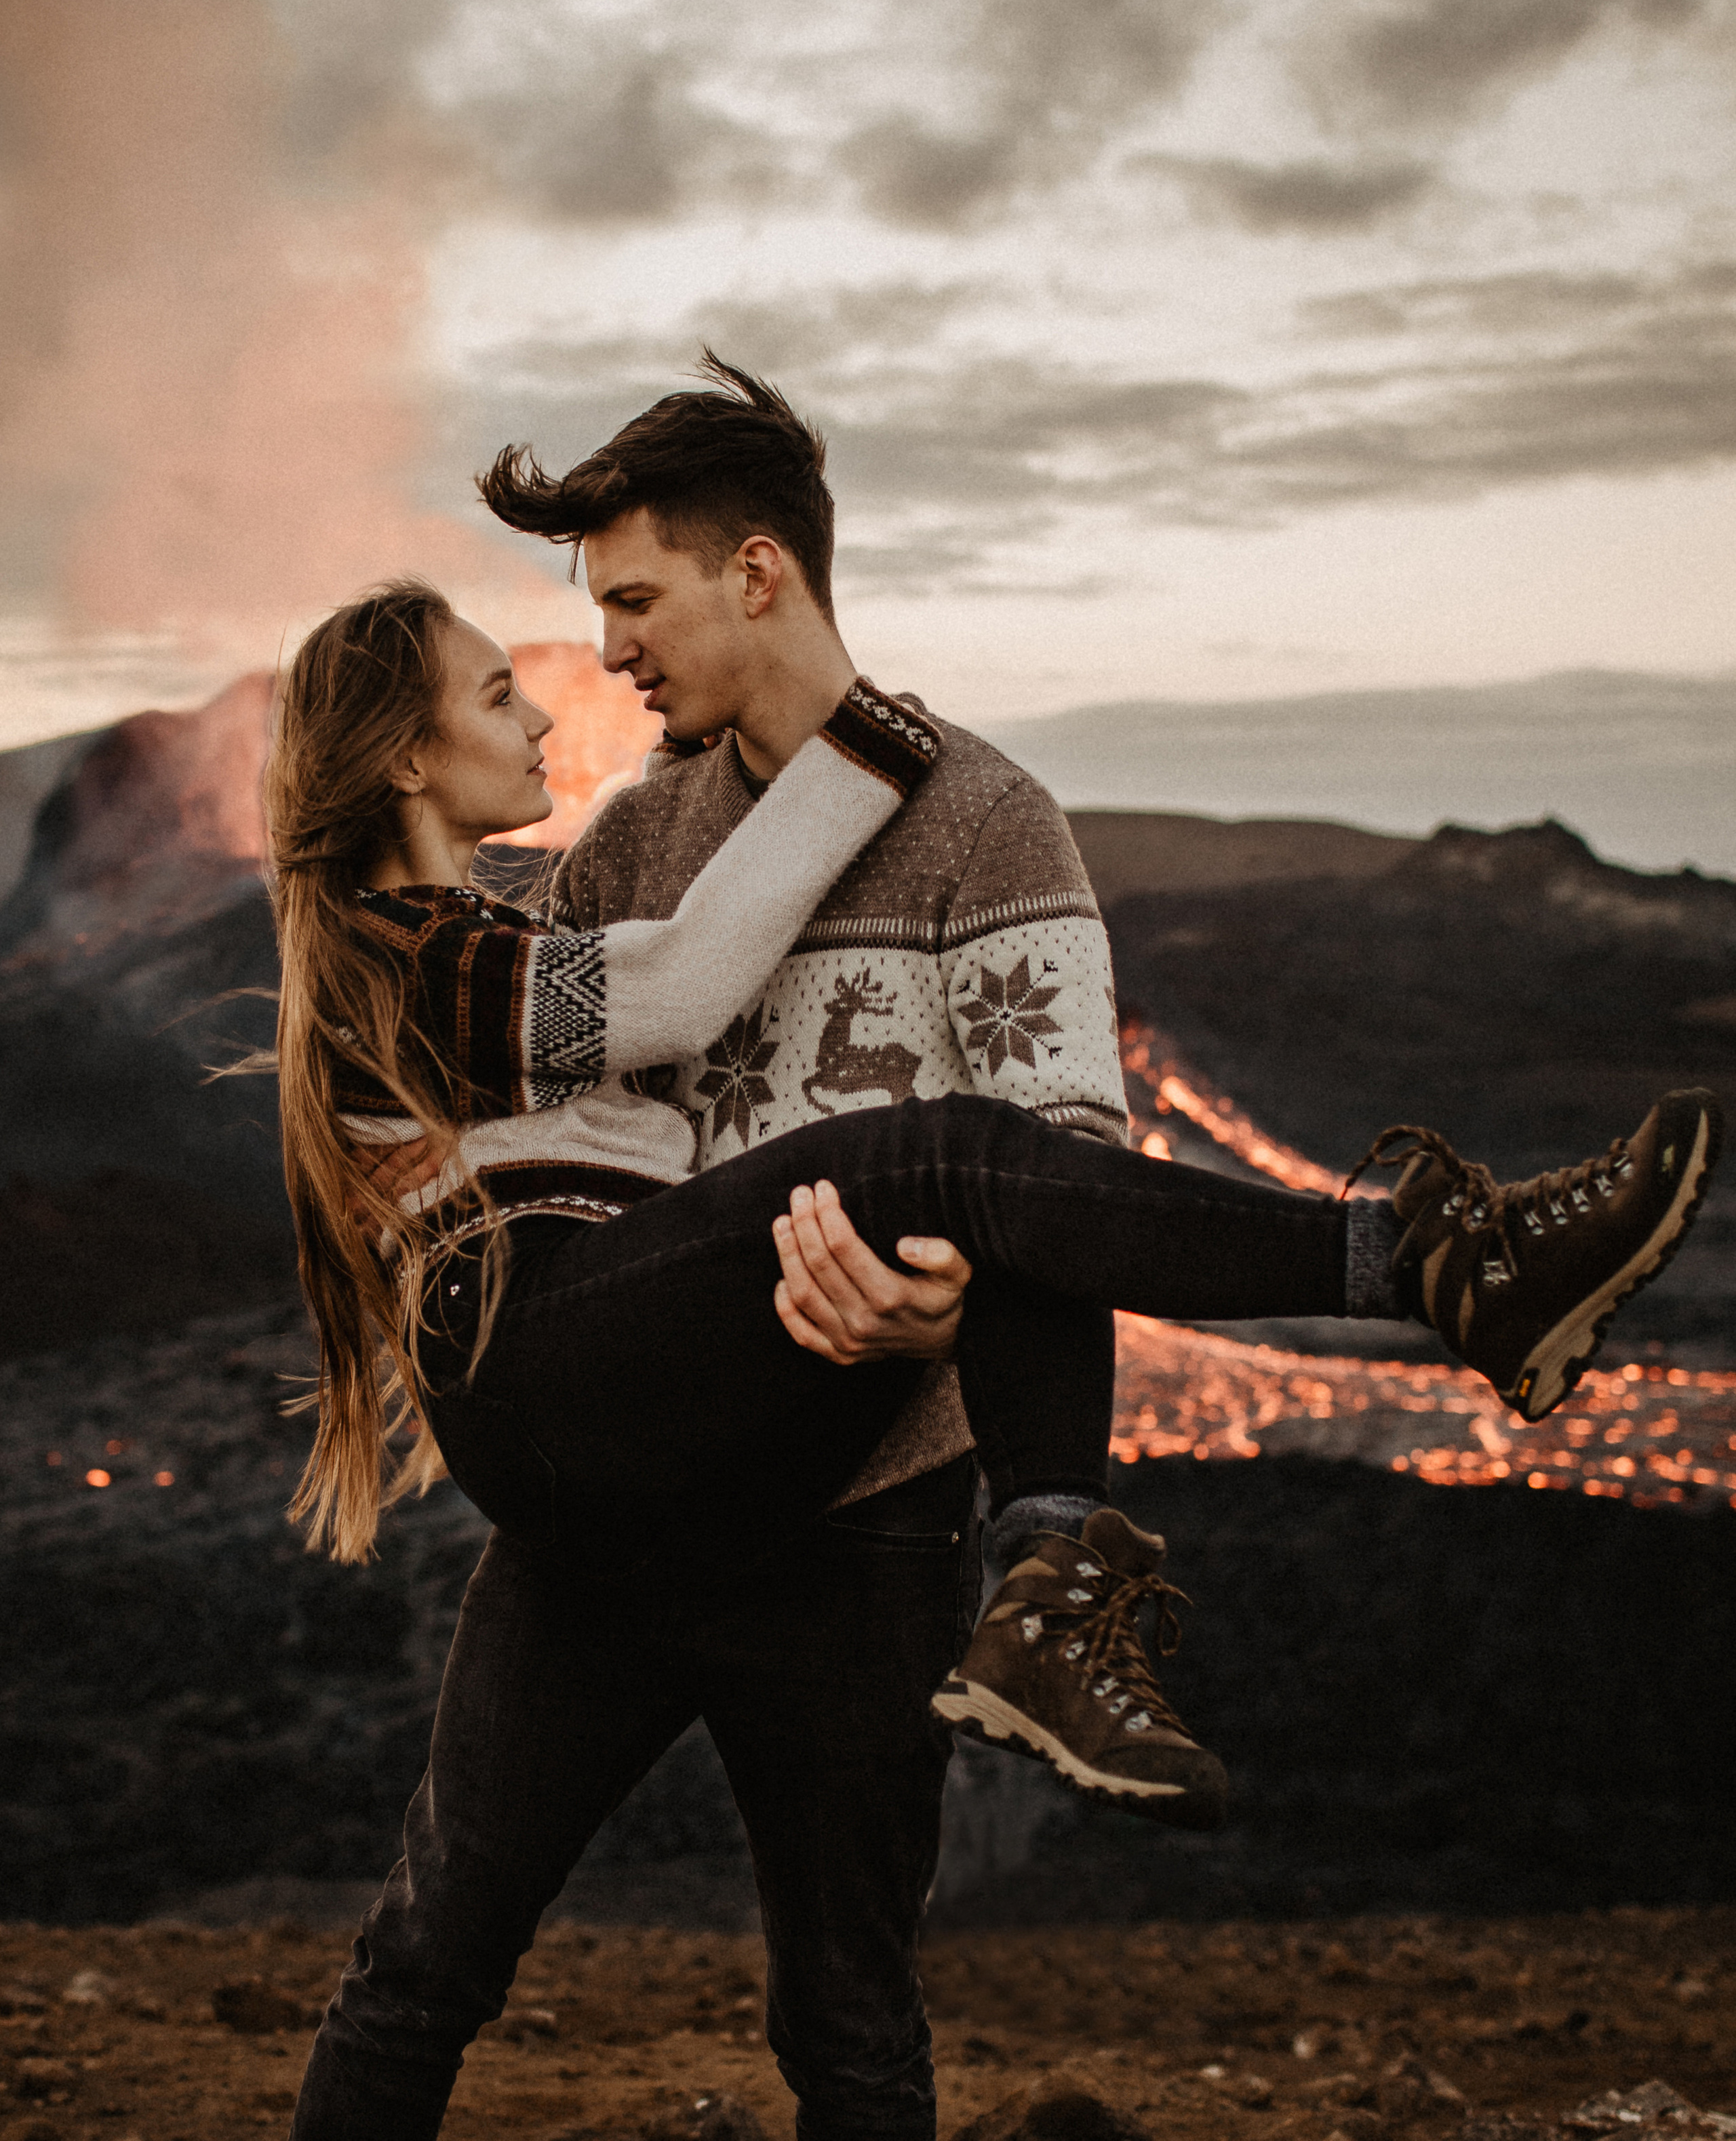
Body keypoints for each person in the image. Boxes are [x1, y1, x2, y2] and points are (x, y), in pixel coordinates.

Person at [283, 576, 1721, 2141]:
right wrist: (863, 727)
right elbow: (690, 980)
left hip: (688, 1442)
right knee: (949, 1158)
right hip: (547, 1378)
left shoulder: (502, 919)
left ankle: (1048, 1580)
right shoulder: (396, 951)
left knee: (568, 1976)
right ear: (405, 760)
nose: (553, 700)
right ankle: (1435, 1269)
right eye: (497, 693)